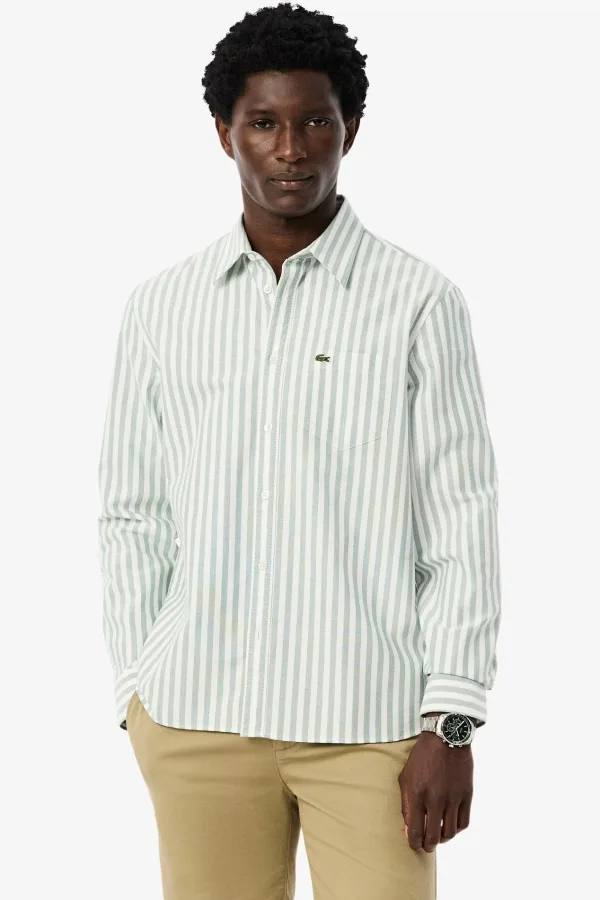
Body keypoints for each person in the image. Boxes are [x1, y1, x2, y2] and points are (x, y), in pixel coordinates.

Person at [96, 4, 501, 898]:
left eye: (315, 121)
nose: (290, 150)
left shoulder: (418, 303)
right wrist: (138, 693)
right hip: (195, 718)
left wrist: (452, 719)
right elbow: (131, 513)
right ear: (225, 133)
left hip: (370, 726)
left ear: (350, 127)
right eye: (264, 124)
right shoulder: (162, 307)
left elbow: (461, 520)